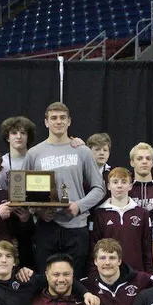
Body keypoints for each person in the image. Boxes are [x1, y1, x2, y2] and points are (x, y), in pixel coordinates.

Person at [21, 101, 105, 277]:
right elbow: (22, 192)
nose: (58, 122)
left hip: (76, 225)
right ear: (46, 122)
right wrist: (38, 211)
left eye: (62, 118)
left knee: (76, 277)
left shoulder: (82, 151)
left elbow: (99, 188)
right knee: (45, 278)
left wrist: (79, 206)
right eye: (54, 118)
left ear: (69, 121)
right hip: (46, 226)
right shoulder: (34, 153)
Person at [89, 166, 153, 275]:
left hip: (136, 273)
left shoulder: (142, 213)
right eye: (115, 182)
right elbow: (93, 248)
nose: (119, 186)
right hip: (107, 273)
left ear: (130, 186)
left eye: (124, 182)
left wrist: (150, 275)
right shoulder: (99, 214)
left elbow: (147, 249)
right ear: (108, 186)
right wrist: (94, 275)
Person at [0, 116, 36, 190]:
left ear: (28, 137)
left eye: (23, 133)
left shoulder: (35, 160)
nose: (19, 136)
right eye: (14, 133)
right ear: (7, 138)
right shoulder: (0, 162)